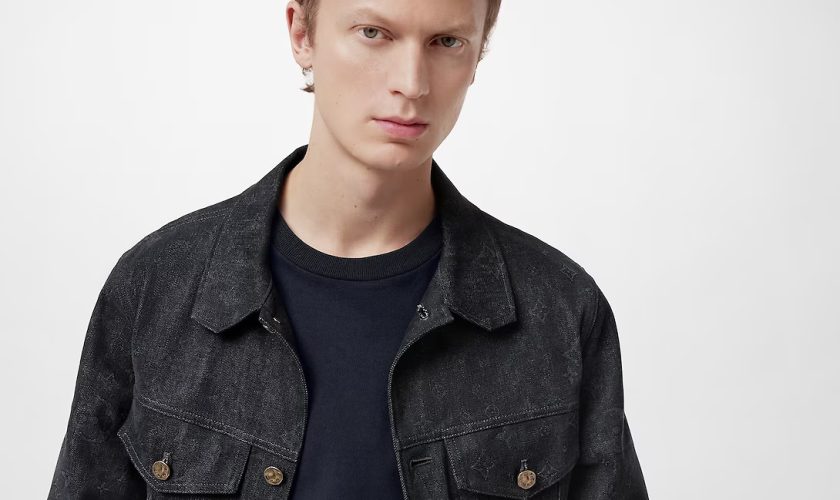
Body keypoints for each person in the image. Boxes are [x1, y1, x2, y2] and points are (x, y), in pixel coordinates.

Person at [49, 0, 648, 498]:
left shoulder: (559, 308)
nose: (411, 83)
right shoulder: (156, 287)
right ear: (302, 34)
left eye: (446, 42)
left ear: (477, 55)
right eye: (373, 33)